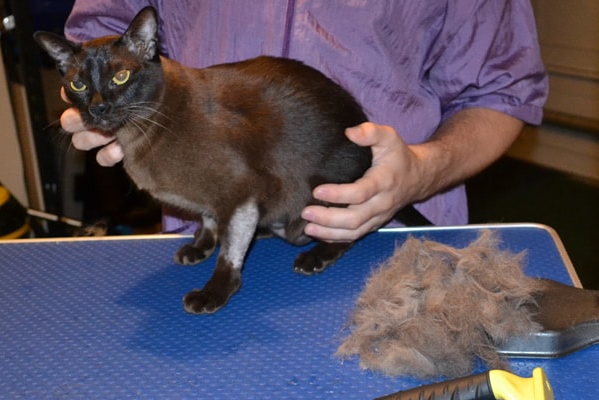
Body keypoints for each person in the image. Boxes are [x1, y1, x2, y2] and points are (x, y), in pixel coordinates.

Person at [60, 1, 548, 242]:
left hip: (393, 238)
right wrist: (104, 92)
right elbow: (99, 33)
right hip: (205, 225)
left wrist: (422, 171)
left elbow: (503, 91)